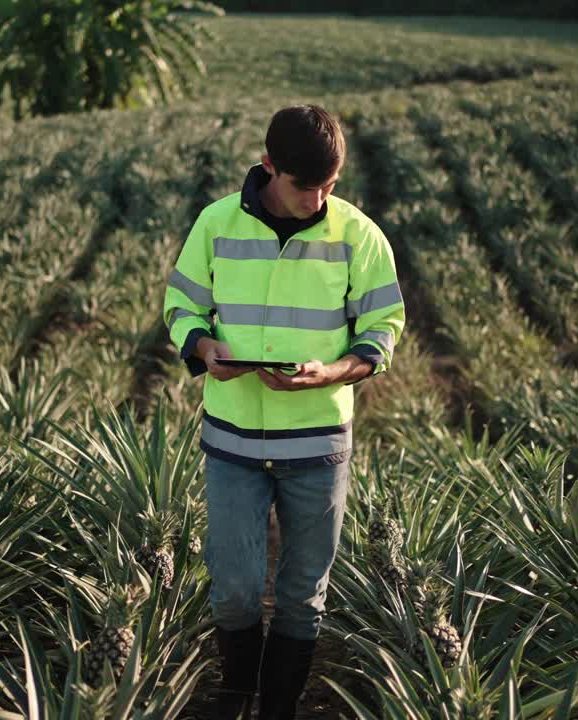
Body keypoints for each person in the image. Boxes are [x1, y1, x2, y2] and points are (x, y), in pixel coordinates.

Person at [162, 104, 405, 719]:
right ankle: (237, 691)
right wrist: (200, 345)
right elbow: (181, 306)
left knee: (302, 597)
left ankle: (278, 710)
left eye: (330, 185)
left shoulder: (359, 236)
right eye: (305, 185)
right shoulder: (216, 224)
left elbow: (383, 331)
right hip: (233, 441)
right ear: (270, 166)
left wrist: (337, 371)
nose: (318, 198)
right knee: (236, 591)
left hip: (318, 444)